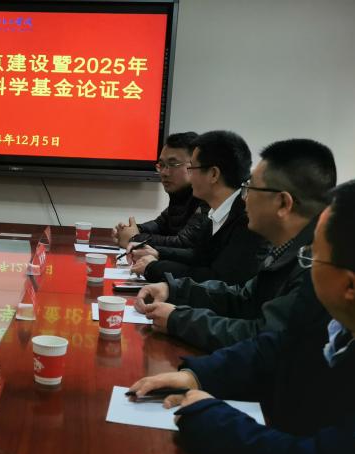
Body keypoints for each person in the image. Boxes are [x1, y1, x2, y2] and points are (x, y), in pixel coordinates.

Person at [129, 176, 355, 454]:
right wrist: (200, 375)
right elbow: (283, 346)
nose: (307, 265)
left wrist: (208, 417)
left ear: (350, 286)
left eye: (314, 256)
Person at [135, 139, 336, 351]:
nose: (244, 198)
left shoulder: (315, 266)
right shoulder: (286, 250)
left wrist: (179, 320)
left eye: (250, 188)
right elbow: (243, 298)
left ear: (283, 203)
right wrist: (173, 290)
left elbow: (264, 338)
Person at [129, 130, 268, 284]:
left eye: (192, 168)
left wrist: (153, 267)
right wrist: (157, 253)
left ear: (213, 174)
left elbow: (219, 280)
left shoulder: (248, 219)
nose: (189, 175)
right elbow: (198, 256)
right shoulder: (217, 211)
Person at [112, 132, 208, 249]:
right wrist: (132, 229)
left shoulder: (207, 198)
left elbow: (184, 243)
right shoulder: (179, 196)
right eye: (161, 165)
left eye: (173, 164)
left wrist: (135, 238)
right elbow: (160, 225)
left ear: (194, 165)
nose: (164, 173)